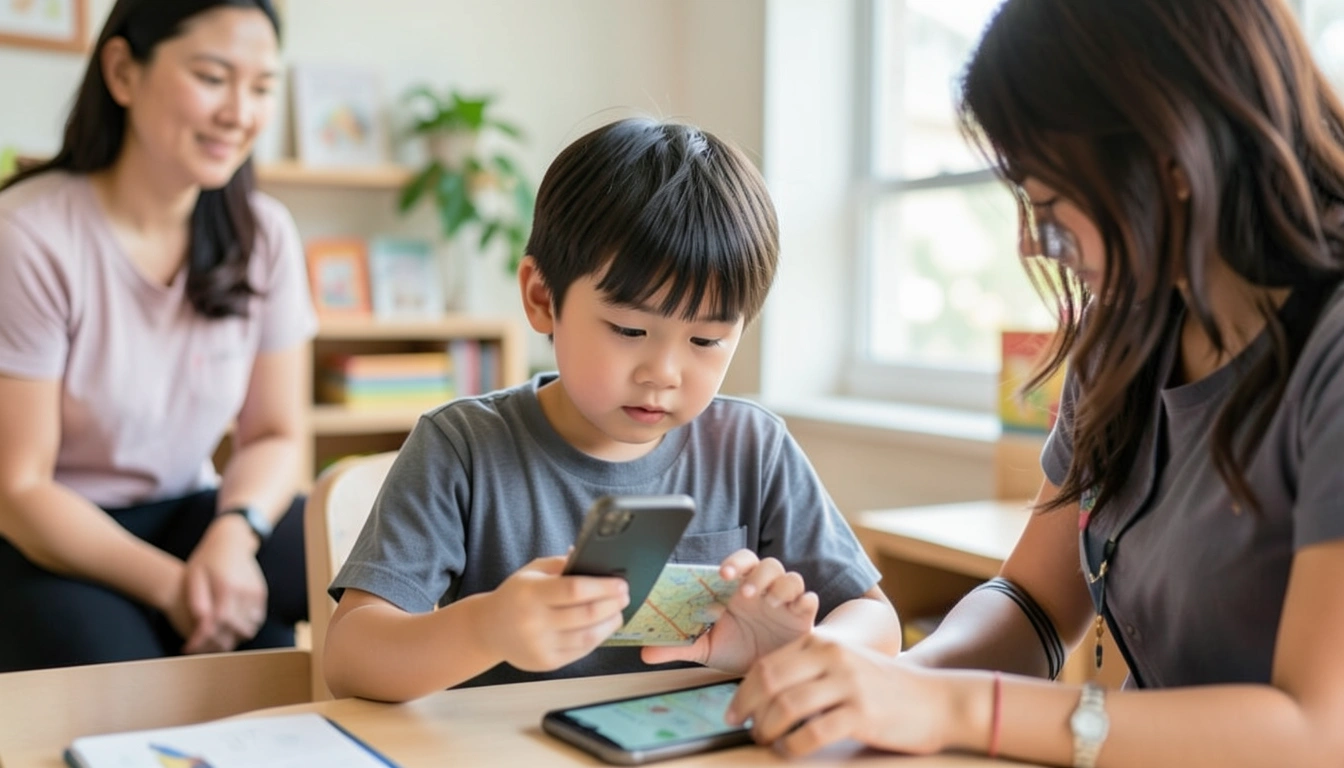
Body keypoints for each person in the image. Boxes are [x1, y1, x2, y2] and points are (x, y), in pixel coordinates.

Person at [726, 0, 1344, 765]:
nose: (1028, 240)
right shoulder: (1128, 335)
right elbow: (1034, 602)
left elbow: (1318, 731)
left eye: (1049, 204)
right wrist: (887, 684)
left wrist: (948, 705)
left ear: (1171, 160)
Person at [323, 117, 902, 702]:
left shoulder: (752, 446)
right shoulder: (462, 448)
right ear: (541, 298)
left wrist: (800, 651)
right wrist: (487, 627)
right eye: (629, 328)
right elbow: (350, 659)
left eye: (706, 341)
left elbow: (878, 624)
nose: (664, 373)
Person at [0, 0, 315, 672]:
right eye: (212, 77)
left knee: (346, 554)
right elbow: (18, 488)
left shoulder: (265, 234)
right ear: (122, 72)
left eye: (262, 88)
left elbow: (278, 436)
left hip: (193, 511)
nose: (241, 112)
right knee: (127, 680)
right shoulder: (28, 234)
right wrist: (178, 589)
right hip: (53, 532)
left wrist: (233, 536)